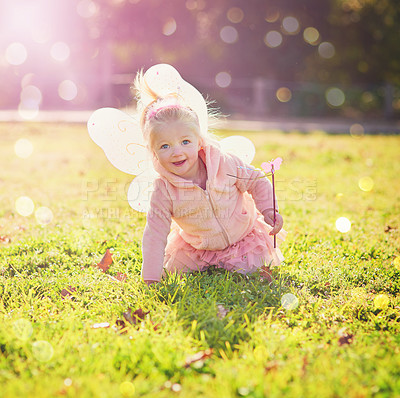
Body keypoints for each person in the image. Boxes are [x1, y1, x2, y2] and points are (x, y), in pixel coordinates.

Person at [135, 66, 285, 285]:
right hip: (197, 246)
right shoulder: (164, 190)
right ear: (153, 152)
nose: (177, 151)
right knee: (175, 271)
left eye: (185, 142)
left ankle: (237, 261)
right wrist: (151, 279)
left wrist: (269, 210)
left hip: (241, 238)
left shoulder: (224, 163)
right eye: (165, 146)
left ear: (199, 141)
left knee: (251, 271)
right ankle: (199, 264)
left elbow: (256, 180)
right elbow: (154, 236)